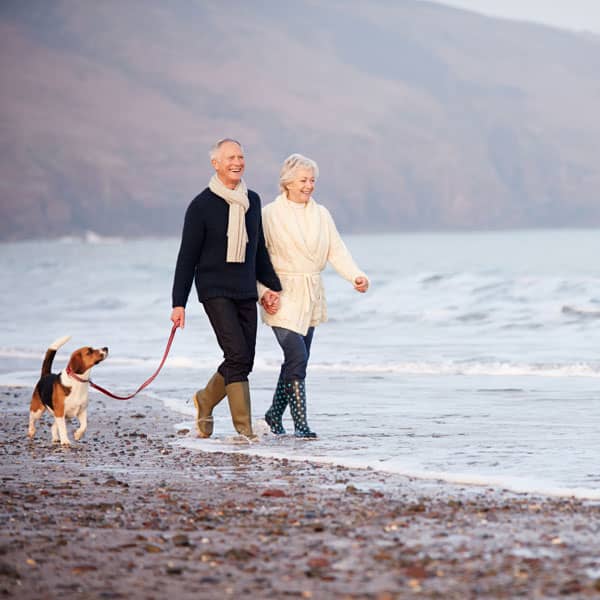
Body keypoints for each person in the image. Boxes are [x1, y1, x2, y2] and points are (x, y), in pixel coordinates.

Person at [171, 138, 281, 440]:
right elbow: (187, 257)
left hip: (245, 289)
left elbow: (258, 252)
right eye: (230, 157)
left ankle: (205, 399)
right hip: (214, 290)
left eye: (241, 157)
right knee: (236, 353)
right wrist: (178, 303)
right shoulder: (201, 206)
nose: (237, 162)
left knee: (244, 359)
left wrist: (273, 288)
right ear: (215, 163)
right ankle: (245, 430)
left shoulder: (253, 201)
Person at [259, 153, 369, 438]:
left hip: (311, 293)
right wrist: (263, 291)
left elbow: (336, 249)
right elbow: (259, 257)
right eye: (303, 180)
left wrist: (355, 276)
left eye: (312, 180)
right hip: (280, 293)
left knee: (298, 359)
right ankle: (301, 424)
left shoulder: (321, 214)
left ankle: (273, 415)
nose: (309, 185)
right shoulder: (270, 214)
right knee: (296, 354)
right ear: (288, 182)